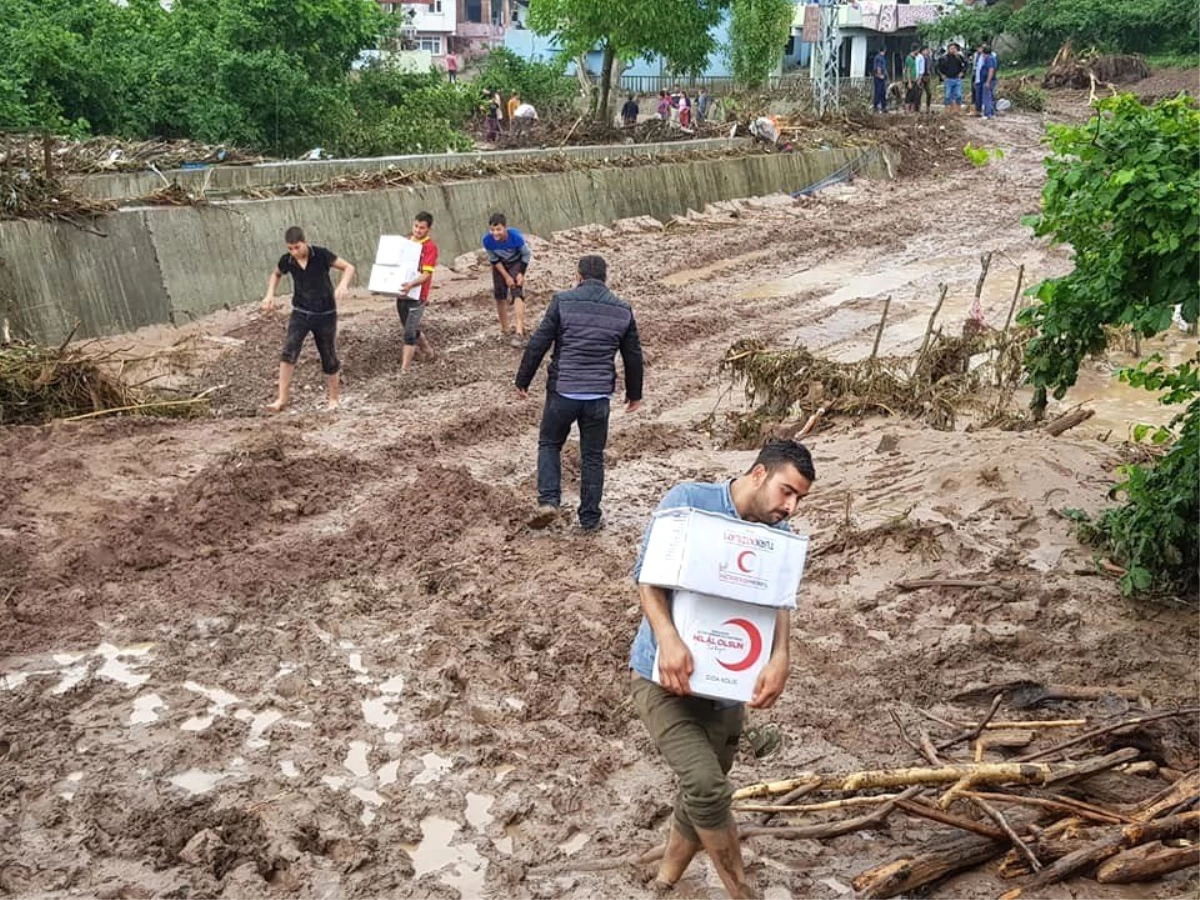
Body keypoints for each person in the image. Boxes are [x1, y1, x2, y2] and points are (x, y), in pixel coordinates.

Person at [628, 440, 816, 898]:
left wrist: (780, 656)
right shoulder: (689, 503)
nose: (790, 507)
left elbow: (779, 604)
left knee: (699, 796)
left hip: (729, 690)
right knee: (708, 787)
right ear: (758, 474)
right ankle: (741, 892)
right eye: (786, 491)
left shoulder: (782, 537)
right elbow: (647, 580)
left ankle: (666, 879)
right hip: (663, 679)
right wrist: (669, 640)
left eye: (799, 500)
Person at [514, 255, 644, 532]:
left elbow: (539, 343)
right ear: (605, 277)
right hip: (598, 397)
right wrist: (635, 394)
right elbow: (633, 355)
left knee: (549, 443)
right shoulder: (622, 309)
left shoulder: (562, 301)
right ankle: (589, 518)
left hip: (563, 392)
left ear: (579, 276)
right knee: (593, 455)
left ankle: (549, 500)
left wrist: (523, 379)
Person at [261, 226, 355, 412]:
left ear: (305, 242)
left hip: (326, 313)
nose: (294, 252)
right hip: (300, 312)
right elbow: (276, 274)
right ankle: (282, 399)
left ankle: (333, 399)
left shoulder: (321, 254)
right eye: (290, 248)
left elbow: (348, 267)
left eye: (297, 247)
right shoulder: (287, 260)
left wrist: (343, 285)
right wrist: (269, 295)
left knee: (328, 354)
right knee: (289, 351)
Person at [395, 212, 438, 374]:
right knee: (408, 326)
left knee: (409, 332)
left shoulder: (429, 248)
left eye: (422, 228)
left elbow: (426, 274)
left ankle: (404, 369)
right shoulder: (406, 242)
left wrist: (411, 284)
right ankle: (428, 350)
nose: (418, 230)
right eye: (416, 226)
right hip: (402, 293)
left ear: (429, 229)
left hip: (418, 296)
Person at [483, 212, 532, 344]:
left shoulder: (515, 238)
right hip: (500, 264)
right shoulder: (487, 240)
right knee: (500, 296)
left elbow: (526, 255)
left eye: (498, 229)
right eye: (492, 230)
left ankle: (519, 330)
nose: (495, 233)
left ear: (505, 228)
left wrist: (520, 273)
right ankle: (505, 329)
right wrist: (506, 277)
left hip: (516, 261)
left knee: (516, 290)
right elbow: (494, 260)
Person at [938, 42, 966, 113]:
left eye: (954, 49)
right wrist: (941, 75)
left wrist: (962, 72)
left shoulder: (959, 57)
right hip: (948, 79)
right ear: (948, 49)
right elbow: (938, 68)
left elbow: (965, 65)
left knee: (959, 95)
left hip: (957, 79)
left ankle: (958, 110)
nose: (953, 50)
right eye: (951, 49)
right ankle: (947, 110)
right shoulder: (944, 58)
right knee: (947, 96)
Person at [980, 44, 998, 119]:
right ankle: (991, 113)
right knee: (990, 97)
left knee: (987, 97)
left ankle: (988, 114)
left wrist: (987, 81)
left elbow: (991, 70)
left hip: (989, 81)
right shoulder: (992, 58)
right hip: (991, 80)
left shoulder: (989, 59)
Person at [903, 46, 921, 113]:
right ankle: (907, 110)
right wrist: (909, 82)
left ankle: (912, 110)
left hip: (915, 79)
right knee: (909, 95)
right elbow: (908, 71)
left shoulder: (915, 58)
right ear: (915, 50)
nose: (918, 52)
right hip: (910, 80)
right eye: (918, 50)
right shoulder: (909, 58)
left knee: (915, 95)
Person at [871, 46, 889, 113]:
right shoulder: (879, 57)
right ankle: (876, 107)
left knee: (882, 92)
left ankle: (883, 107)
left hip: (882, 76)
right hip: (878, 78)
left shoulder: (882, 58)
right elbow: (878, 67)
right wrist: (880, 75)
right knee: (878, 92)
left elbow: (883, 68)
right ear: (884, 50)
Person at [972, 43, 987, 115]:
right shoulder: (976, 55)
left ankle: (987, 111)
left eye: (981, 48)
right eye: (979, 48)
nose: (980, 49)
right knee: (977, 94)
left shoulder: (988, 56)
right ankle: (978, 110)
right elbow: (976, 68)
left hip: (985, 78)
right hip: (977, 77)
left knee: (986, 94)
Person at [920, 47, 934, 112]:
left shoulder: (929, 58)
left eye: (928, 50)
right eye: (925, 50)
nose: (927, 51)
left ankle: (928, 107)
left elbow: (930, 67)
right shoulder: (919, 58)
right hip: (921, 77)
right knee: (919, 93)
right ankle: (918, 107)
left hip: (927, 76)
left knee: (929, 93)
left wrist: (930, 74)